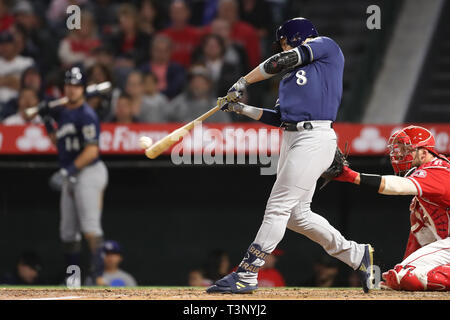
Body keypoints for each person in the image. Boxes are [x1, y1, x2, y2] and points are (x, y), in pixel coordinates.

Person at [206, 18, 374, 294]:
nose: (282, 46)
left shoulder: (325, 47)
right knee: (297, 215)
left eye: (284, 41)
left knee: (277, 207)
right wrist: (242, 109)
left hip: (313, 136)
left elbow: (281, 60)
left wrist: (243, 80)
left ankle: (247, 273)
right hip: (292, 137)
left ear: (296, 36)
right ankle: (357, 255)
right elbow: (280, 118)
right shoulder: (289, 81)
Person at [334, 125, 450, 291]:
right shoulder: (421, 198)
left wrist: (352, 176)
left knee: (403, 275)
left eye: (406, 150)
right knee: (400, 276)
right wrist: (401, 274)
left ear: (424, 153)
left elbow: (398, 187)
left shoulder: (437, 170)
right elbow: (417, 241)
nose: (399, 155)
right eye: (399, 150)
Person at [36, 66, 108, 286]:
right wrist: (47, 121)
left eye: (76, 85)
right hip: (70, 173)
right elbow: (61, 144)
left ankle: (97, 278)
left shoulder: (87, 115)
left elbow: (91, 151)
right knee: (68, 233)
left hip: (88, 171)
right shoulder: (65, 113)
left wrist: (67, 171)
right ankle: (73, 279)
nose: (72, 89)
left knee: (90, 228)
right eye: (69, 85)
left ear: (83, 89)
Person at [167, 65, 231, 123]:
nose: (197, 85)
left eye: (201, 82)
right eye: (194, 81)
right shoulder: (177, 104)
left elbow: (226, 129)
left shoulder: (217, 107)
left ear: (209, 85)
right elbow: (164, 126)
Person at [140, 34, 186, 99]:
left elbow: (175, 89)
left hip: (169, 100)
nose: (161, 53)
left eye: (165, 50)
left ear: (170, 52)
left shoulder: (177, 69)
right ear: (151, 51)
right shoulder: (143, 69)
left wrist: (156, 95)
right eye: (158, 50)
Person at [160, 0, 204, 68]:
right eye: (174, 12)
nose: (177, 15)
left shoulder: (196, 34)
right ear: (170, 14)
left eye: (180, 12)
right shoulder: (163, 35)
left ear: (187, 13)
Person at [0, 30, 34, 105]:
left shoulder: (27, 62)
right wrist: (13, 80)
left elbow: (30, 86)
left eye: (7, 44)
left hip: (19, 104)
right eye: (1, 44)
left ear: (14, 45)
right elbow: (21, 84)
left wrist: (4, 80)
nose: (4, 47)